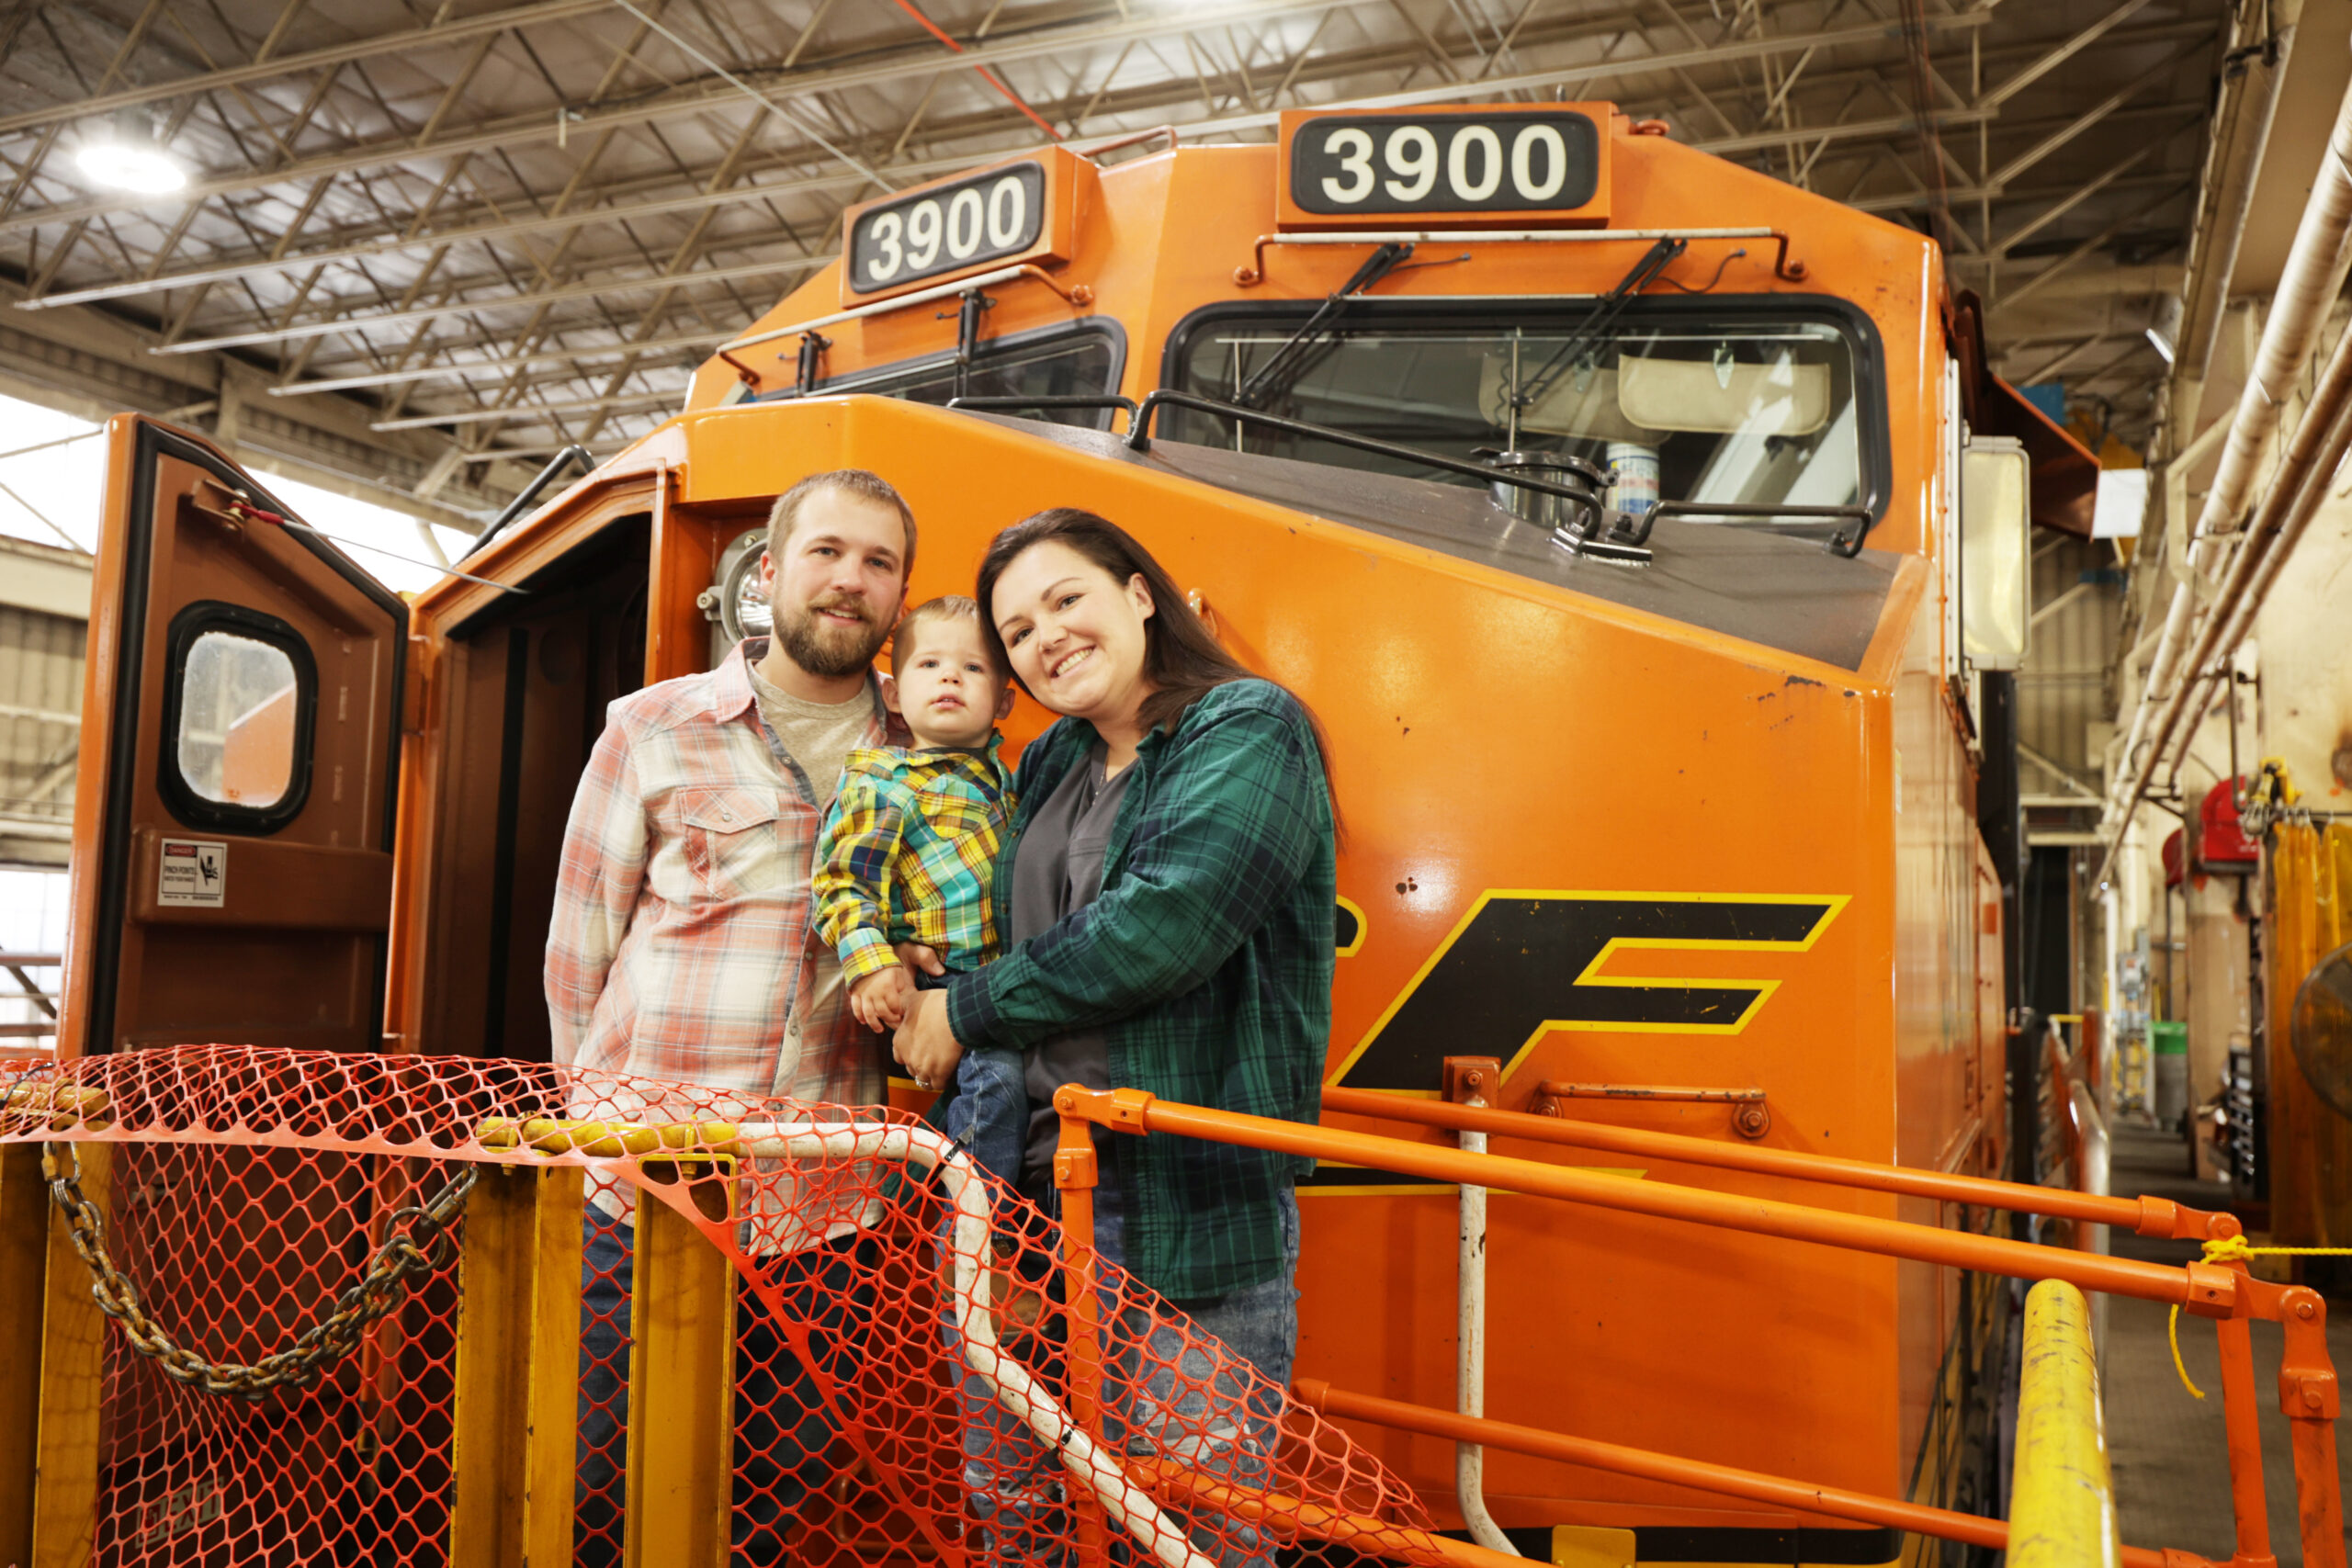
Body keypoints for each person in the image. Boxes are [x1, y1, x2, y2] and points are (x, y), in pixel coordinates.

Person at [890, 506, 1338, 1566]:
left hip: (1180, 1201)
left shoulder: (1248, 727)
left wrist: (963, 1008)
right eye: (1017, 631)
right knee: (1017, 1506)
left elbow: (1159, 929)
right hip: (1017, 1195)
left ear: (1139, 594)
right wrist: (913, 948)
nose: (1045, 638)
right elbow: (1006, 924)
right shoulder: (1053, 758)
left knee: (1186, 1523)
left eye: (1065, 600)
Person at [544, 467, 916, 1566]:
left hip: (823, 1198)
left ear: (900, 594)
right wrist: (591, 1136)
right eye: (827, 551)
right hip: (646, 1181)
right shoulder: (652, 727)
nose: (849, 580)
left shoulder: (928, 755)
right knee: (600, 1471)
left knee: (781, 1476)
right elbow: (578, 953)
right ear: (772, 569)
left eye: (879, 562)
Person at [813, 594, 1023, 1180]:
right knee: (999, 1081)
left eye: (973, 667)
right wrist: (873, 962)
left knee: (1003, 1098)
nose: (950, 676)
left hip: (1000, 979)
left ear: (1004, 700)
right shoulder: (883, 785)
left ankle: (915, 1194)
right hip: (943, 976)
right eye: (929, 664)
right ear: (894, 693)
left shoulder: (1009, 784)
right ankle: (976, 1226)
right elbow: (843, 883)